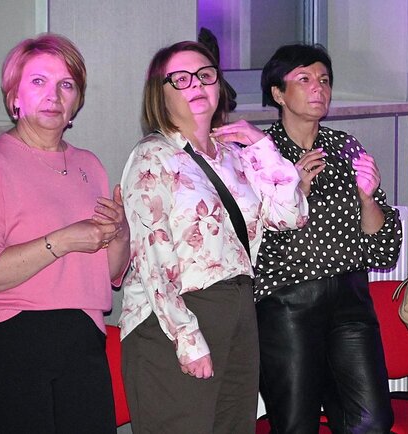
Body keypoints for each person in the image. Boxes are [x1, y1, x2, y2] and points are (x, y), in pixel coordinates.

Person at [119, 41, 308, 434]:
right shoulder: (153, 156)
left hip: (238, 305)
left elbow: (291, 216)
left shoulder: (233, 154)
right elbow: (152, 256)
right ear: (160, 92)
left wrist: (263, 148)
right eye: (181, 79)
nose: (197, 85)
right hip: (174, 316)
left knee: (235, 425)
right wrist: (186, 337)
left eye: (205, 75)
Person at [0, 33, 129, 433]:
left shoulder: (89, 165)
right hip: (5, 338)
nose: (54, 95)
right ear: (14, 96)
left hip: (81, 336)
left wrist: (119, 233)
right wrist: (63, 240)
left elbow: (107, 274)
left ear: (76, 101)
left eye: (66, 84)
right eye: (38, 82)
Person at [254, 43, 402, 434]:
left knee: (371, 420)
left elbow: (384, 248)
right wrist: (296, 189)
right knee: (296, 423)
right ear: (278, 93)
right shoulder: (259, 154)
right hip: (287, 302)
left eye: (324, 79)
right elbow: (252, 240)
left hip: (350, 299)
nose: (318, 88)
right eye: (304, 79)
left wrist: (367, 198)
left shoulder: (345, 146)